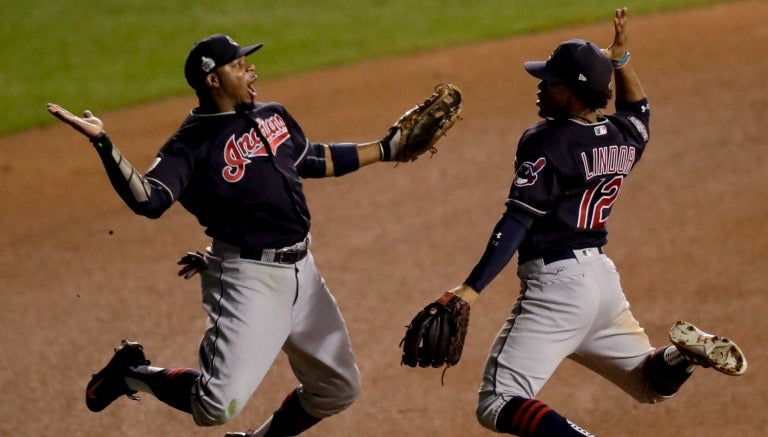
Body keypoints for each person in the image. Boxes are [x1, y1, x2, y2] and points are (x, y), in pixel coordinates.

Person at [47, 33, 438, 436]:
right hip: (249, 278)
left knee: (338, 389)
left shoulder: (272, 114)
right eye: (238, 65)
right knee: (215, 405)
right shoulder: (190, 145)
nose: (251, 70)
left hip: (303, 270)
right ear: (213, 80)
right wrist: (103, 143)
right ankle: (131, 370)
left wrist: (387, 149)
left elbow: (312, 158)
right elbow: (150, 199)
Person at [420, 8, 747, 436]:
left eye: (551, 81)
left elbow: (517, 220)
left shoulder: (547, 141)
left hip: (557, 289)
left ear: (573, 94)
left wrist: (470, 290)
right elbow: (639, 108)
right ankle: (683, 356)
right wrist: (621, 61)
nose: (541, 86)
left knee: (497, 402)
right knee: (650, 382)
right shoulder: (623, 136)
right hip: (601, 285)